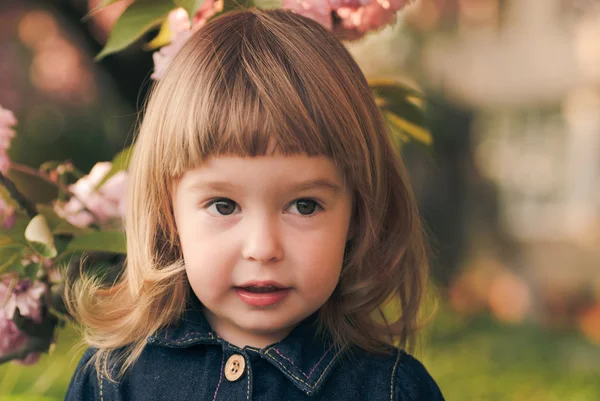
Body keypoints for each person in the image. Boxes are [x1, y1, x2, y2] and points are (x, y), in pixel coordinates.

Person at [64, 8, 445, 401]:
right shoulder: (114, 379)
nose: (263, 248)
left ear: (357, 213)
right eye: (224, 206)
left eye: (305, 206)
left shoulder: (392, 390)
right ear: (168, 211)